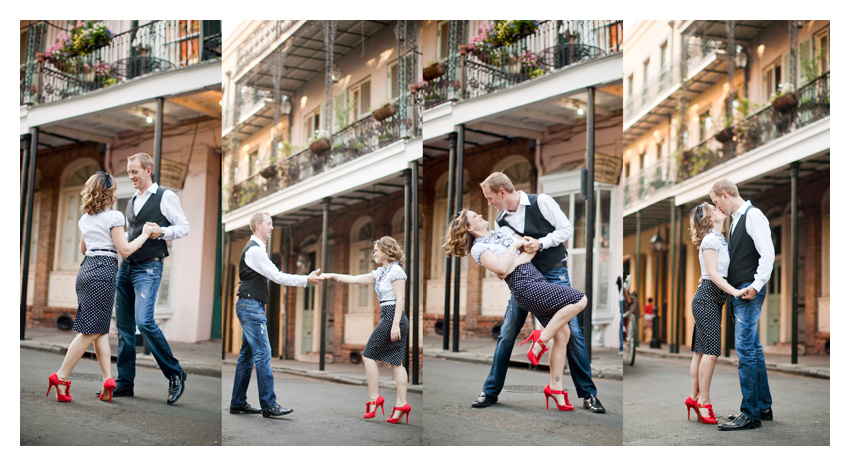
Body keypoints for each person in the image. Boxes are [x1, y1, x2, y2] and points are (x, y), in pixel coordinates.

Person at [471, 172, 605, 413]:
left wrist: (541, 243)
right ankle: (490, 391)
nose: (489, 203)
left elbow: (566, 229)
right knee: (507, 334)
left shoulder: (541, 201)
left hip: (555, 274)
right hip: (525, 281)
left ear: (502, 192)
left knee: (572, 335)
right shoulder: (501, 222)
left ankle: (588, 395)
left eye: (490, 197)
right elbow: (504, 258)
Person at [445, 209, 587, 412]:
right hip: (524, 287)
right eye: (474, 216)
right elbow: (501, 269)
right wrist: (513, 248)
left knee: (564, 334)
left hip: (536, 279)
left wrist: (511, 263)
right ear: (469, 228)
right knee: (580, 299)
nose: (480, 215)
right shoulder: (480, 248)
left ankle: (555, 387)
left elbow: (529, 252)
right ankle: (541, 340)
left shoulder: (501, 231)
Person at [47, 171, 154, 402]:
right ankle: (61, 375)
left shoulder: (85, 218)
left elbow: (83, 250)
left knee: (101, 328)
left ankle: (108, 379)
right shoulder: (114, 217)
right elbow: (125, 250)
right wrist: (144, 234)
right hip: (104, 270)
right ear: (109, 192)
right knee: (91, 330)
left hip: (86, 269)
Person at [113, 153, 190, 404]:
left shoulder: (165, 196)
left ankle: (175, 373)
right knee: (124, 329)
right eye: (129, 173)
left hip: (148, 268)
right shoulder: (132, 200)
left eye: (134, 172)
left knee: (144, 322)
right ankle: (124, 383)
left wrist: (162, 231)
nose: (131, 177)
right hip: (126, 268)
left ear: (148, 170)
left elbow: (184, 227)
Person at [229, 212, 323, 418]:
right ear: (257, 226)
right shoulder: (255, 251)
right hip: (251, 307)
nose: (272, 227)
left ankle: (238, 402)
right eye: (269, 224)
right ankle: (269, 405)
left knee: (247, 356)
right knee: (263, 353)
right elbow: (277, 276)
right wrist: (306, 280)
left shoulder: (256, 249)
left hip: (249, 305)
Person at [324, 237, 412, 424]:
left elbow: (400, 299)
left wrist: (395, 323)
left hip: (393, 316)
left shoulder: (396, 271)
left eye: (376, 250)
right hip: (389, 316)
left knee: (368, 355)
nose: (373, 254)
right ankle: (401, 404)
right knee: (397, 362)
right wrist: (331, 275)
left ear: (386, 251)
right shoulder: (381, 272)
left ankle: (374, 399)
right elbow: (355, 279)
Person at [710, 179, 774, 431]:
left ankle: (750, 414)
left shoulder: (753, 215)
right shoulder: (736, 219)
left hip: (749, 291)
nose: (717, 207)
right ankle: (763, 407)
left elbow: (767, 254)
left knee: (745, 349)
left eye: (716, 202)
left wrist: (756, 285)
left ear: (724, 195)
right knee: (754, 350)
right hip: (741, 293)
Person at [685, 202, 743, 425]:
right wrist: (735, 292)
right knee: (711, 351)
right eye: (714, 208)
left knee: (701, 351)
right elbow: (713, 275)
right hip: (708, 296)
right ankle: (703, 402)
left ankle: (693, 397)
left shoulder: (719, 239)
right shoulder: (710, 239)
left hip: (712, 297)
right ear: (708, 219)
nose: (719, 209)